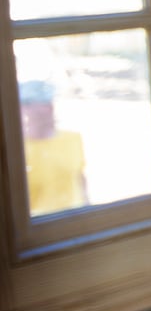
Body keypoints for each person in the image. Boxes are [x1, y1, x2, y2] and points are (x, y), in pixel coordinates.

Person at [19, 79, 87, 214]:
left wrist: (89, 210)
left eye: (49, 102)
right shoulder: (16, 150)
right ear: (24, 109)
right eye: (41, 103)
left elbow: (81, 178)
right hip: (39, 227)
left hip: (75, 218)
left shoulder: (72, 139)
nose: (49, 107)